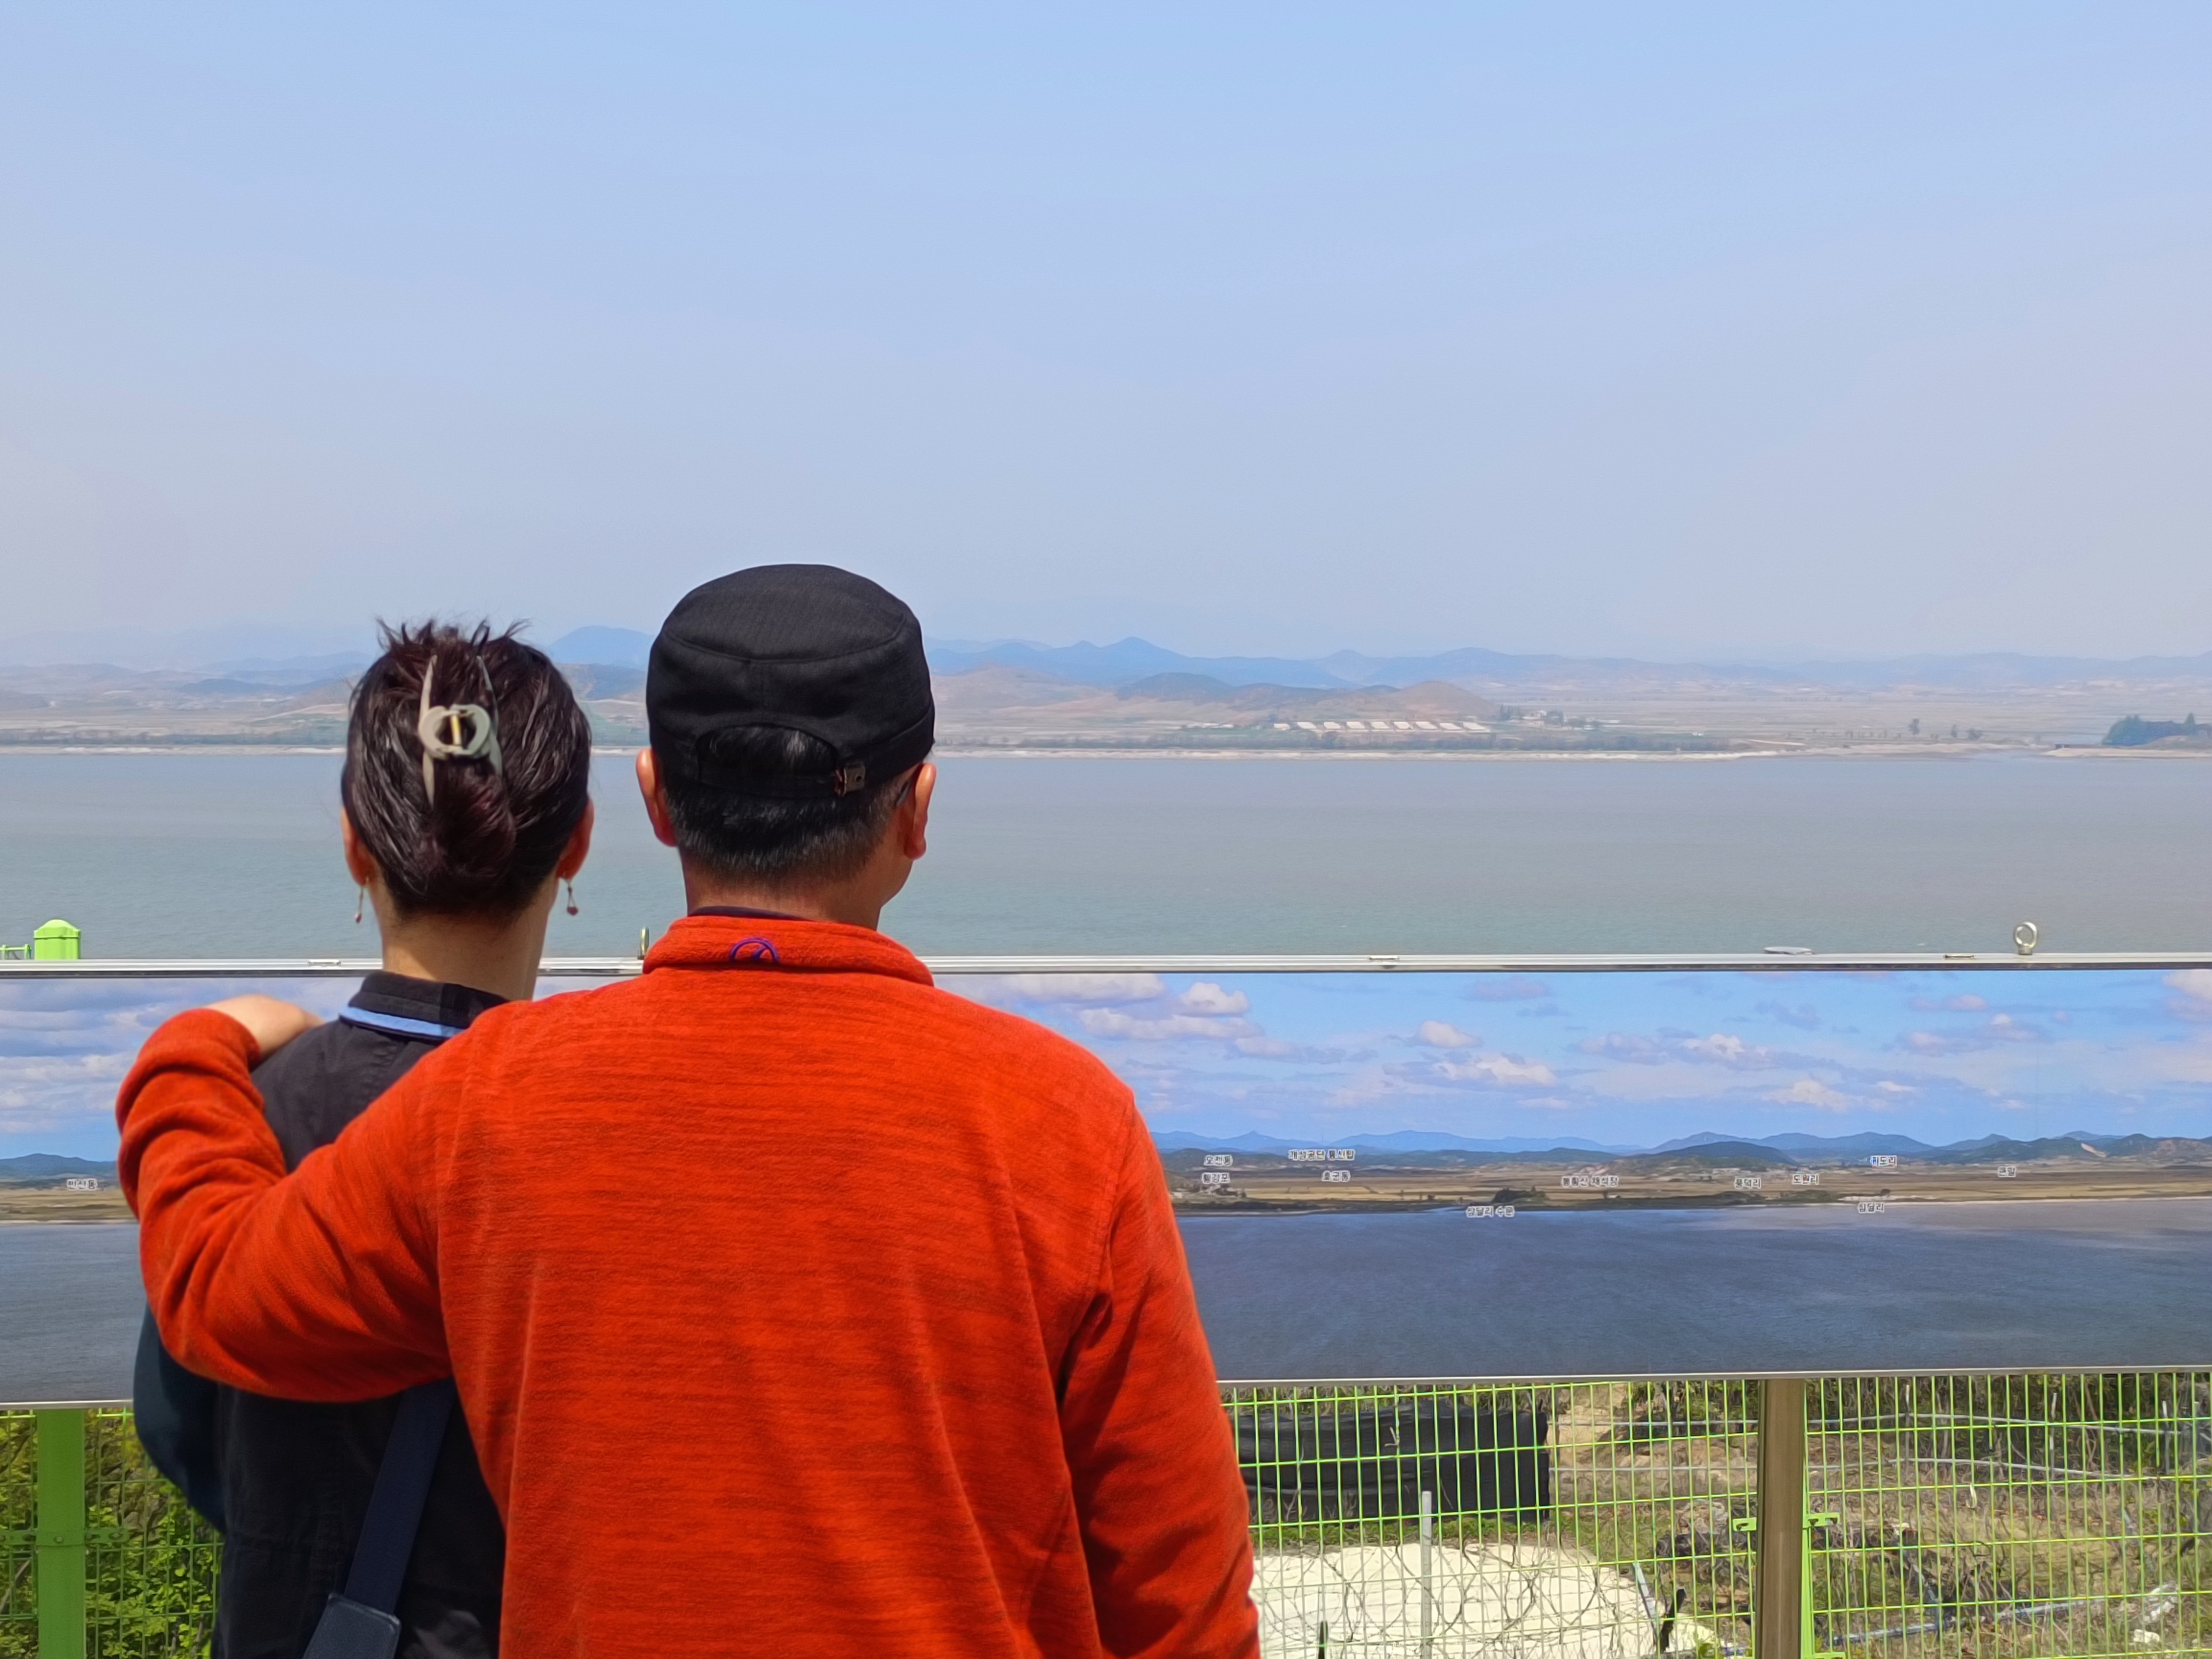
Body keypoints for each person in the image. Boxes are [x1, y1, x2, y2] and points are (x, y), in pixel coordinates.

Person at [118, 565, 1260, 1658]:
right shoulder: (1066, 1124)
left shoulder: (493, 1096)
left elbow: (221, 1294)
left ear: (656, 802)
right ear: (919, 810)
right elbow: (1182, 1596)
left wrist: (193, 1053)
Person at [131, 620, 595, 1659]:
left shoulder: (253, 1107)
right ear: (577, 844)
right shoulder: (612, 1124)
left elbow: (174, 1421)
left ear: (355, 842)